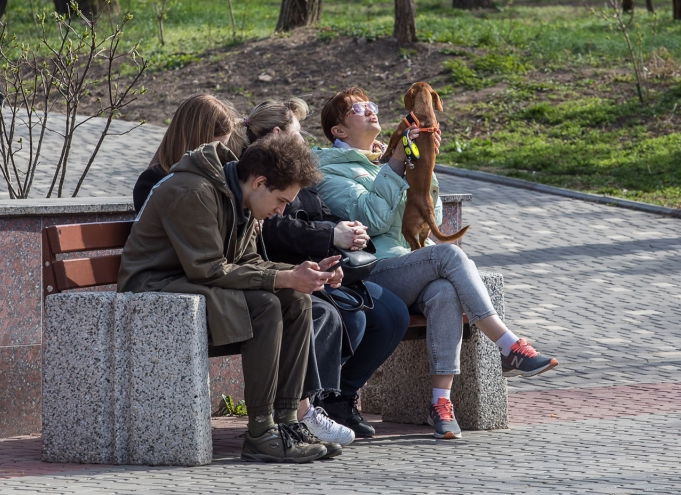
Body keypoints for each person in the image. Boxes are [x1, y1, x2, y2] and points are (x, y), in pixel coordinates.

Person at [315, 87, 559, 440]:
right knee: (448, 254)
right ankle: (508, 346)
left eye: (371, 104)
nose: (371, 110)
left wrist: (423, 166)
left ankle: (440, 404)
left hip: (410, 265)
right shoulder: (330, 171)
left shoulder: (385, 160)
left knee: (445, 291)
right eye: (358, 108)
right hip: (371, 273)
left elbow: (435, 215)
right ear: (338, 131)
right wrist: (397, 165)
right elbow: (373, 219)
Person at [130, 94, 350, 452]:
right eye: (281, 201)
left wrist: (302, 273)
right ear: (260, 182)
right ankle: (261, 430)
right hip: (156, 288)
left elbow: (247, 262)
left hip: (191, 282)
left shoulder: (241, 193)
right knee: (264, 304)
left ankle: (288, 421)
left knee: (297, 300)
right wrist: (283, 276)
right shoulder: (195, 190)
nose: (281, 211)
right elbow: (208, 268)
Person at [241, 98, 410, 439]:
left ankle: (340, 397)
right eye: (298, 133)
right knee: (350, 316)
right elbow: (273, 229)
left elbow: (318, 211)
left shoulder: (294, 166)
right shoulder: (259, 171)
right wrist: (331, 234)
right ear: (278, 133)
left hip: (321, 264)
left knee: (392, 313)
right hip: (288, 269)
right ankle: (308, 406)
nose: (304, 140)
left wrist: (346, 227)